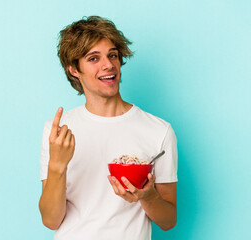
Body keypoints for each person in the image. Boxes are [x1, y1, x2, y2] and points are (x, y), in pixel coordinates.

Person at [39, 16, 178, 240]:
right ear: (74, 69)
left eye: (112, 55)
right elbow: (51, 220)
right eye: (93, 58)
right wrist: (57, 165)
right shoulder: (58, 132)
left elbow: (169, 220)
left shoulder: (159, 130)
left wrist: (148, 196)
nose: (108, 65)